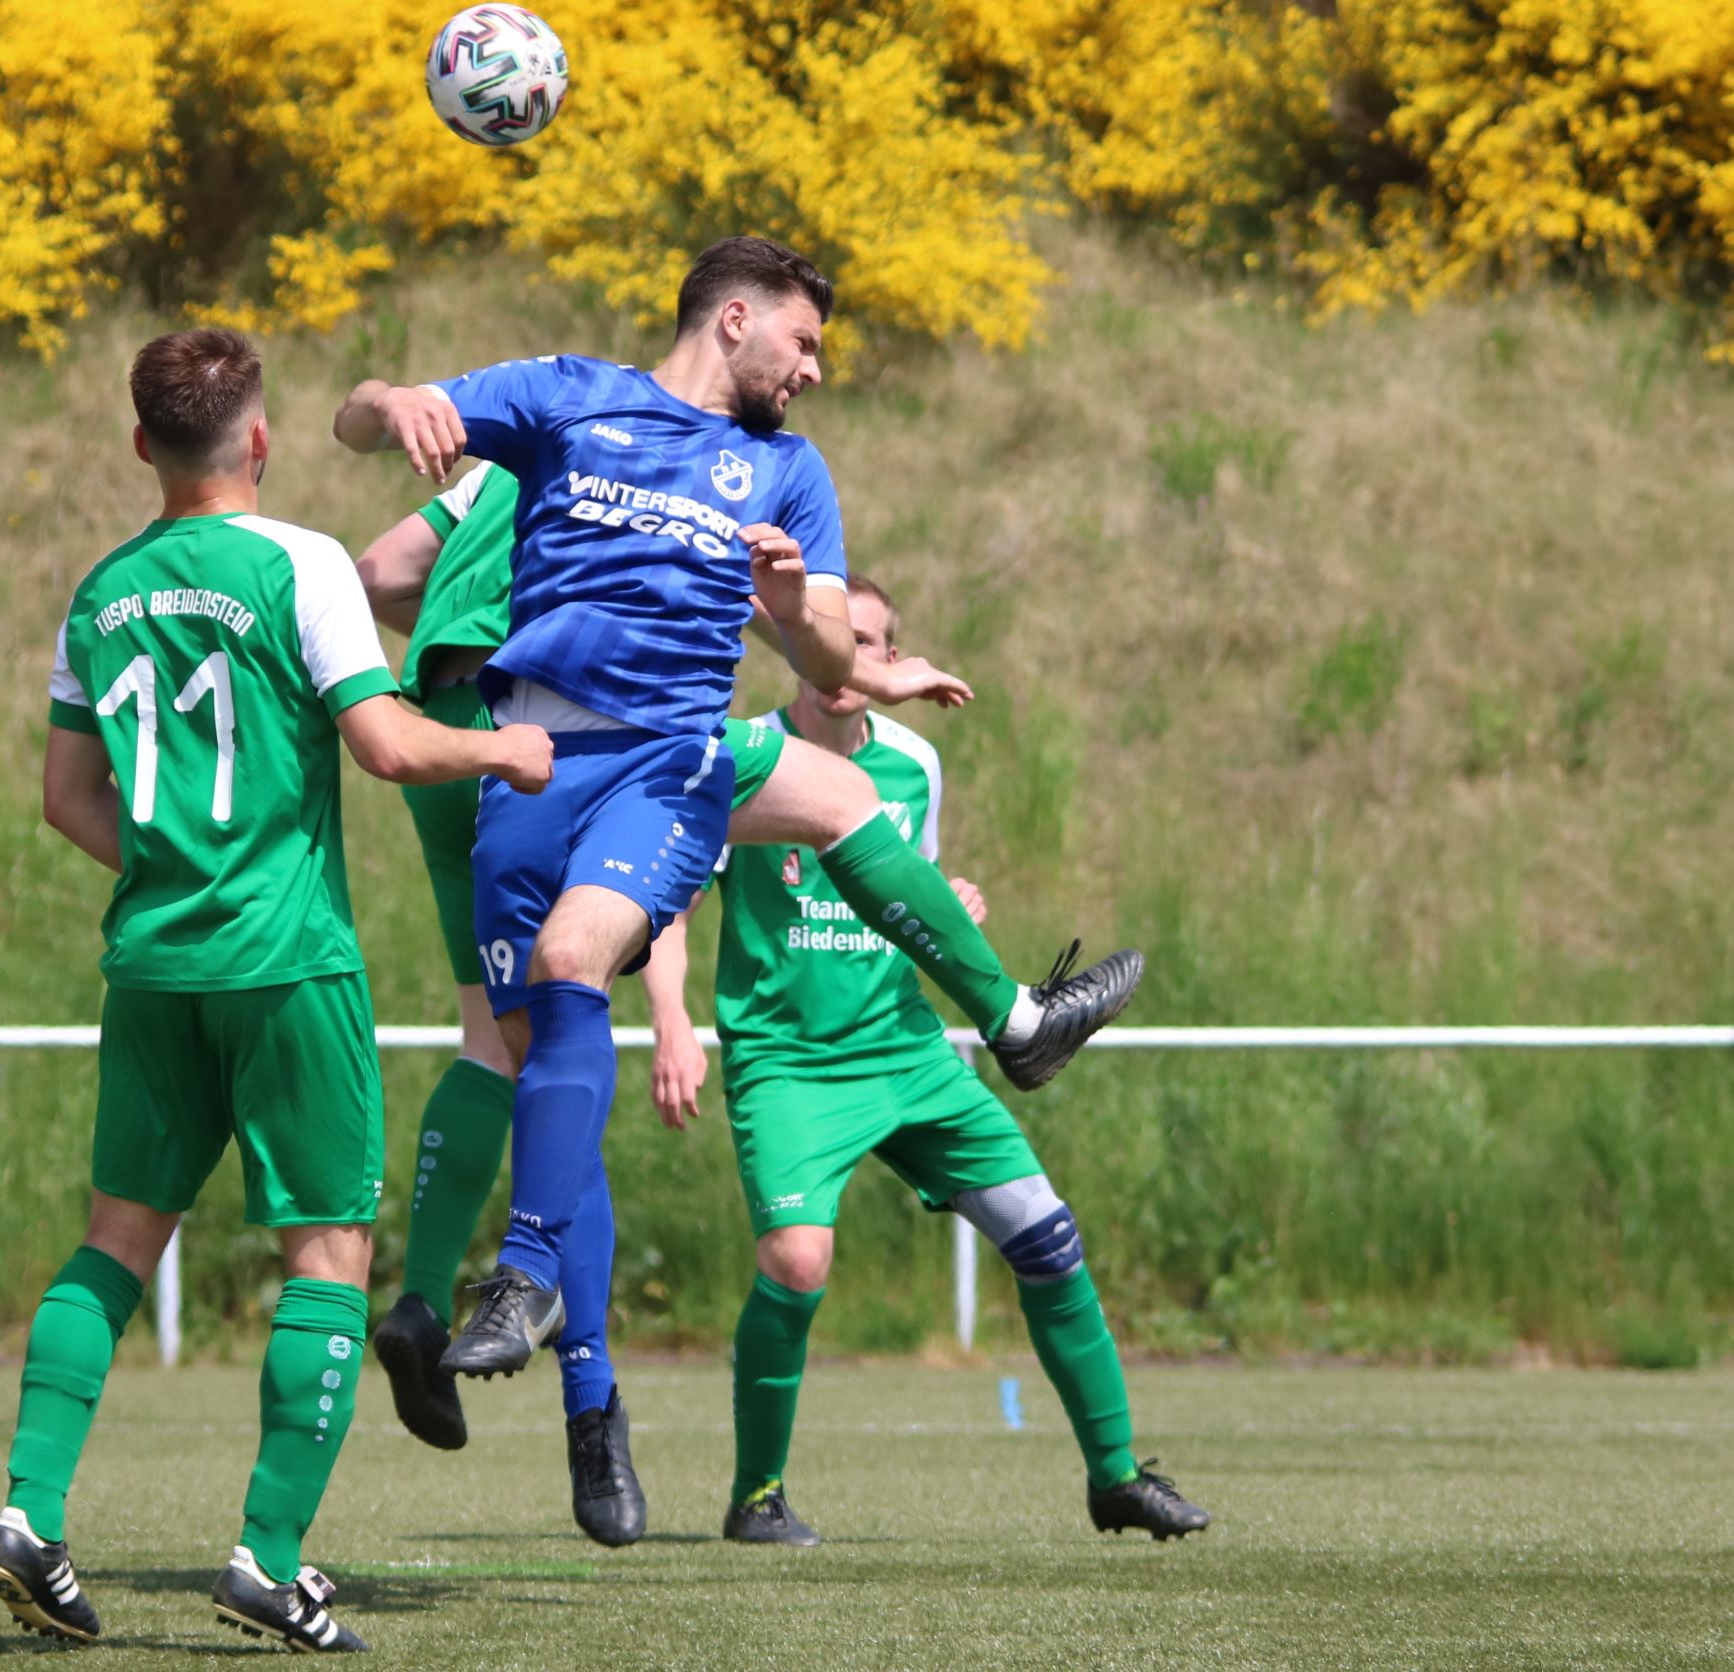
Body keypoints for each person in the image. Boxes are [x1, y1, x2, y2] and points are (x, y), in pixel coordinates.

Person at [335, 237, 1141, 1404]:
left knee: (580, 950)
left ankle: (524, 1274)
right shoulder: (571, 398)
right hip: (526, 761)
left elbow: (826, 654)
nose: (813, 368)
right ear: (733, 319)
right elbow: (357, 429)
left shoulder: (788, 471)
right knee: (530, 1037)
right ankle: (546, 1316)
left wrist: (794, 606)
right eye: (802, 342)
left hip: (667, 757)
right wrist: (392, 400)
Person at [0, 329, 551, 1654]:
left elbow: (67, 798)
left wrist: (173, 866)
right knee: (329, 1258)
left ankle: (27, 1515)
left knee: (114, 1245)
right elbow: (387, 743)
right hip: (287, 965)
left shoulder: (99, 588)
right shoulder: (298, 563)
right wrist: (505, 749)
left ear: (142, 445)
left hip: (152, 966)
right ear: (261, 438)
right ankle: (268, 1563)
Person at [355, 460, 997, 1548]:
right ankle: (591, 1409)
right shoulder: (648, 457)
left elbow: (378, 574)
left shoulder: (499, 461)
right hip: (565, 743)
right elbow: (739, 609)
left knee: (507, 1052)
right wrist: (870, 677)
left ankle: (421, 1299)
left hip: (448, 729)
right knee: (839, 796)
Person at [643, 579, 1210, 1545]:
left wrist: (949, 902)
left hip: (907, 1052)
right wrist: (671, 1021)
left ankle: (1116, 1475)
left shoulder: (914, 766)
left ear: (891, 662)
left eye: (867, 642)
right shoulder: (743, 757)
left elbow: (901, 889)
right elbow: (669, 909)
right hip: (789, 1062)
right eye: (831, 637)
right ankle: (756, 1496)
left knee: (1047, 1236)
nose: (845, 660)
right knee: (797, 1261)